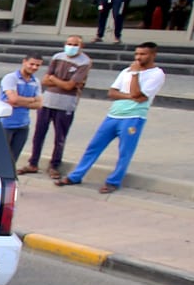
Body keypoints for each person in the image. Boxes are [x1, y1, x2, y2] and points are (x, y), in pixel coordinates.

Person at [58, 42, 164, 193]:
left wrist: (135, 75)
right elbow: (112, 93)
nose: (138, 57)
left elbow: (140, 95)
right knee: (93, 146)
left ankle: (114, 181)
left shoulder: (156, 74)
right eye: (137, 54)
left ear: (153, 55)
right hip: (113, 115)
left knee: (124, 152)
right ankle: (76, 176)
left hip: (133, 117)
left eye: (143, 54)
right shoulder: (126, 70)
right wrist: (130, 95)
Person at [27, 35, 91, 178]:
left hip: (66, 103)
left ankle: (54, 165)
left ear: (81, 46)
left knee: (60, 137)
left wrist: (54, 79)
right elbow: (45, 80)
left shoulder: (84, 62)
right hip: (48, 100)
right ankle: (33, 163)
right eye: (69, 43)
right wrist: (61, 82)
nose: (71, 47)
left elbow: (70, 86)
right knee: (39, 134)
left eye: (75, 44)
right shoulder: (58, 57)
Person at [0, 55, 44, 167]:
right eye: (32, 64)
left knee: (13, 160)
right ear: (24, 62)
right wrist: (32, 100)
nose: (34, 67)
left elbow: (39, 104)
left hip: (23, 124)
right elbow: (13, 99)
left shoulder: (35, 81)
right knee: (1, 158)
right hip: (6, 124)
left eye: (37, 65)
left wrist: (18, 101)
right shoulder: (11, 78)